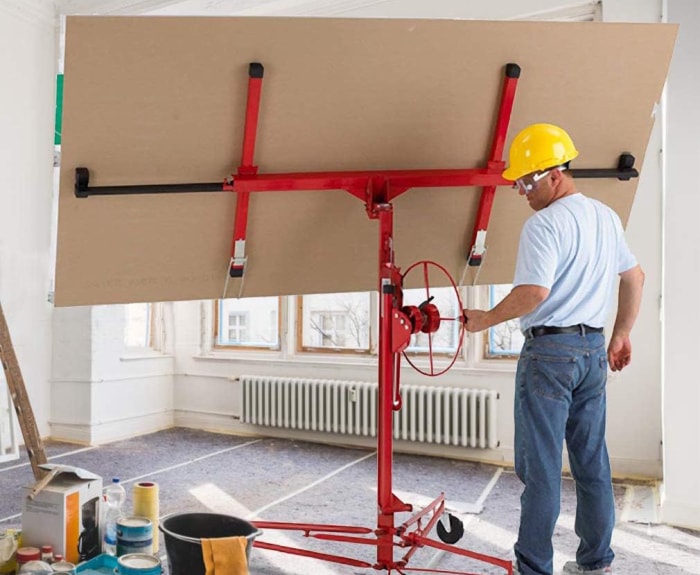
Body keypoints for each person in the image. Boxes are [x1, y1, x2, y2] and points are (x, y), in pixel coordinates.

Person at [462, 123, 644, 575]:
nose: (523, 191)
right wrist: (620, 334)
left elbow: (534, 293)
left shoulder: (544, 223)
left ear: (554, 174)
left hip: (550, 355)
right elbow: (635, 277)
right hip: (591, 350)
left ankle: (534, 569)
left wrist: (483, 320)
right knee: (591, 461)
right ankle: (595, 563)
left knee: (540, 470)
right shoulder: (604, 216)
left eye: (527, 181)